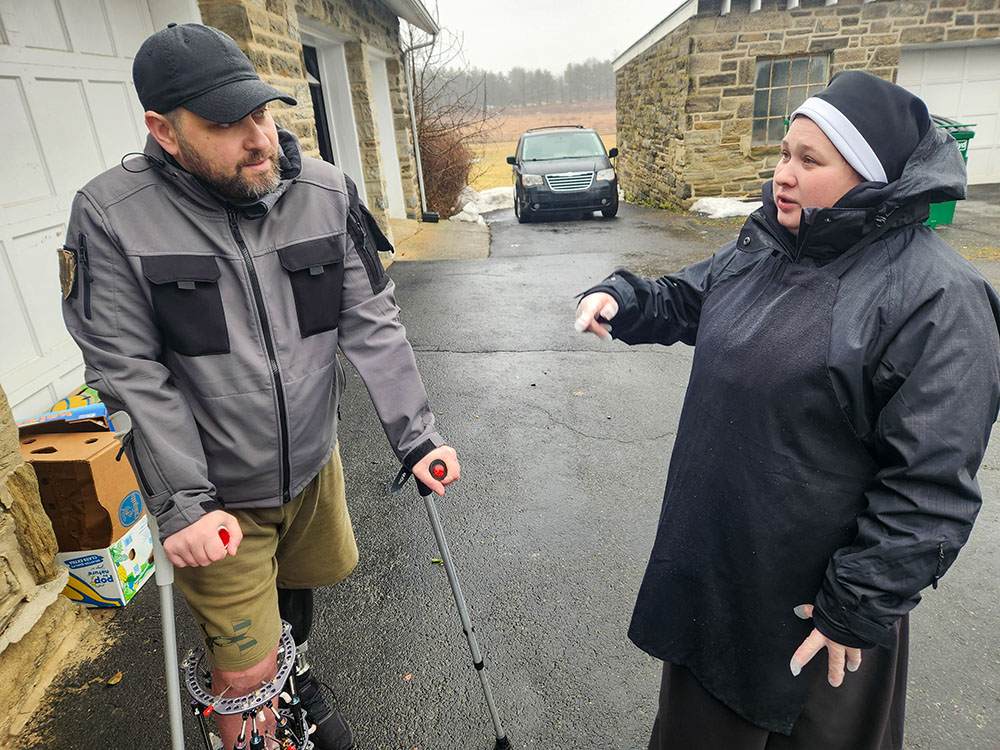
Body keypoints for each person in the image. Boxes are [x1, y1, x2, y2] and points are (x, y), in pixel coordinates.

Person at [60, 23, 459, 750]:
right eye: (226, 124)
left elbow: (372, 321)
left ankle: (293, 669)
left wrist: (417, 436)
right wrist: (183, 504)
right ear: (164, 130)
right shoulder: (112, 216)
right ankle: (256, 711)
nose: (260, 140)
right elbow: (127, 372)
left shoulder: (325, 191)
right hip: (216, 496)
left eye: (261, 113)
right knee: (244, 680)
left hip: (312, 468)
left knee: (298, 593)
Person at [575, 70, 1000, 749]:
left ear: (871, 177)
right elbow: (687, 298)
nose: (784, 175)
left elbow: (930, 487)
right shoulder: (768, 245)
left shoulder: (937, 299)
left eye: (810, 161)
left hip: (817, 620)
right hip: (719, 580)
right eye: (783, 153)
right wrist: (622, 299)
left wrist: (853, 608)